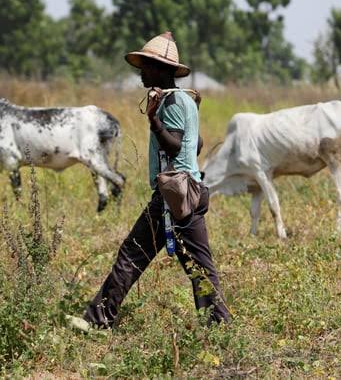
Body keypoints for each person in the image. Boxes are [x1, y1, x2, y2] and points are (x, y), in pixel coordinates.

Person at [69, 31, 231, 330]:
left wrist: (155, 123)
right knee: (197, 266)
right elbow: (195, 145)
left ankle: (97, 321)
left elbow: (174, 145)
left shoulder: (169, 103)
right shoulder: (185, 100)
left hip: (175, 197)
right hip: (188, 191)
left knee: (133, 255)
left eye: (146, 65)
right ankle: (218, 327)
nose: (141, 72)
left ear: (162, 69)